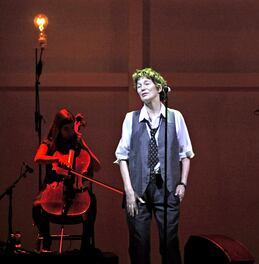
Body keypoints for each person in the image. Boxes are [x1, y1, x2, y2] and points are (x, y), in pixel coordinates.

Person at [115, 68, 194, 264]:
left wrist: (182, 184)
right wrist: (129, 191)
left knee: (169, 242)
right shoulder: (131, 118)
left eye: (146, 83)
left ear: (159, 87)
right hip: (138, 189)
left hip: (166, 187)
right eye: (138, 85)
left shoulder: (175, 117)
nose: (141, 88)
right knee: (139, 244)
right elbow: (122, 156)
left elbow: (185, 154)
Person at [32, 108, 101, 253]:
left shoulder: (76, 144)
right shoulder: (49, 143)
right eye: (66, 129)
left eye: (71, 129)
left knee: (92, 203)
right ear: (58, 128)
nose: (70, 133)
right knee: (36, 207)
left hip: (75, 192)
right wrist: (57, 158)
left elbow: (97, 166)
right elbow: (38, 158)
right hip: (53, 191)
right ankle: (47, 241)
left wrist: (84, 144)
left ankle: (85, 246)